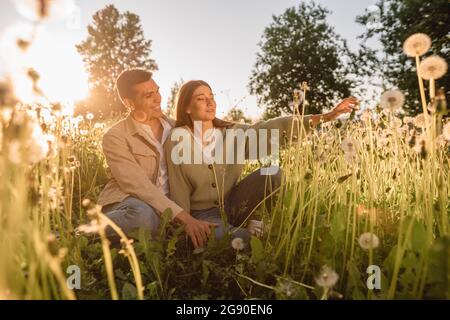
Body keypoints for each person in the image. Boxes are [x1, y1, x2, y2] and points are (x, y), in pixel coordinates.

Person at [165, 80, 358, 247]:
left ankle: (255, 219)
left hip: (234, 203)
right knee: (240, 239)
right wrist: (187, 225)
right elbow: (177, 187)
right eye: (200, 98)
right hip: (203, 215)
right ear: (187, 108)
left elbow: (273, 128)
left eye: (211, 96)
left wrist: (327, 116)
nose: (209, 102)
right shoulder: (177, 139)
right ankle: (242, 231)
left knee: (273, 173)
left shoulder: (232, 132)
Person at [97, 70, 221, 247]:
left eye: (157, 91)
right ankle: (83, 232)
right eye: (149, 95)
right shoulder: (115, 136)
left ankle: (148, 236)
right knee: (143, 217)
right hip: (128, 202)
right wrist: (186, 219)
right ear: (129, 103)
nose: (158, 99)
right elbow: (138, 185)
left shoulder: (177, 127)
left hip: (171, 209)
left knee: (216, 235)